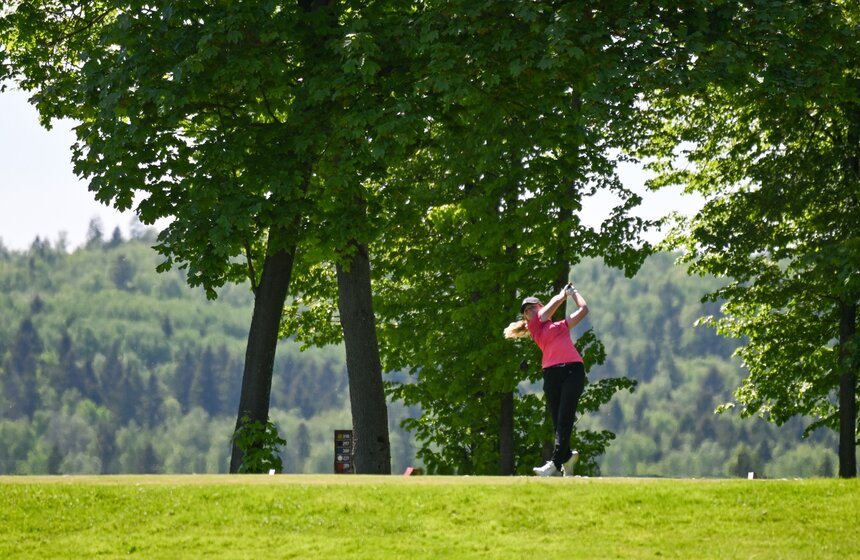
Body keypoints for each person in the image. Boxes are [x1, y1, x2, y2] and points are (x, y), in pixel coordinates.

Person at [504, 282, 589, 477]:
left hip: (573, 370)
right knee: (558, 419)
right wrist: (562, 295)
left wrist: (574, 293)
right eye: (526, 311)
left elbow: (584, 310)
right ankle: (567, 457)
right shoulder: (535, 326)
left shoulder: (561, 326)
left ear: (541, 306)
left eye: (533, 307)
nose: (530, 311)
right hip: (551, 374)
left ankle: (555, 464)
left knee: (565, 417)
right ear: (526, 318)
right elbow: (544, 315)